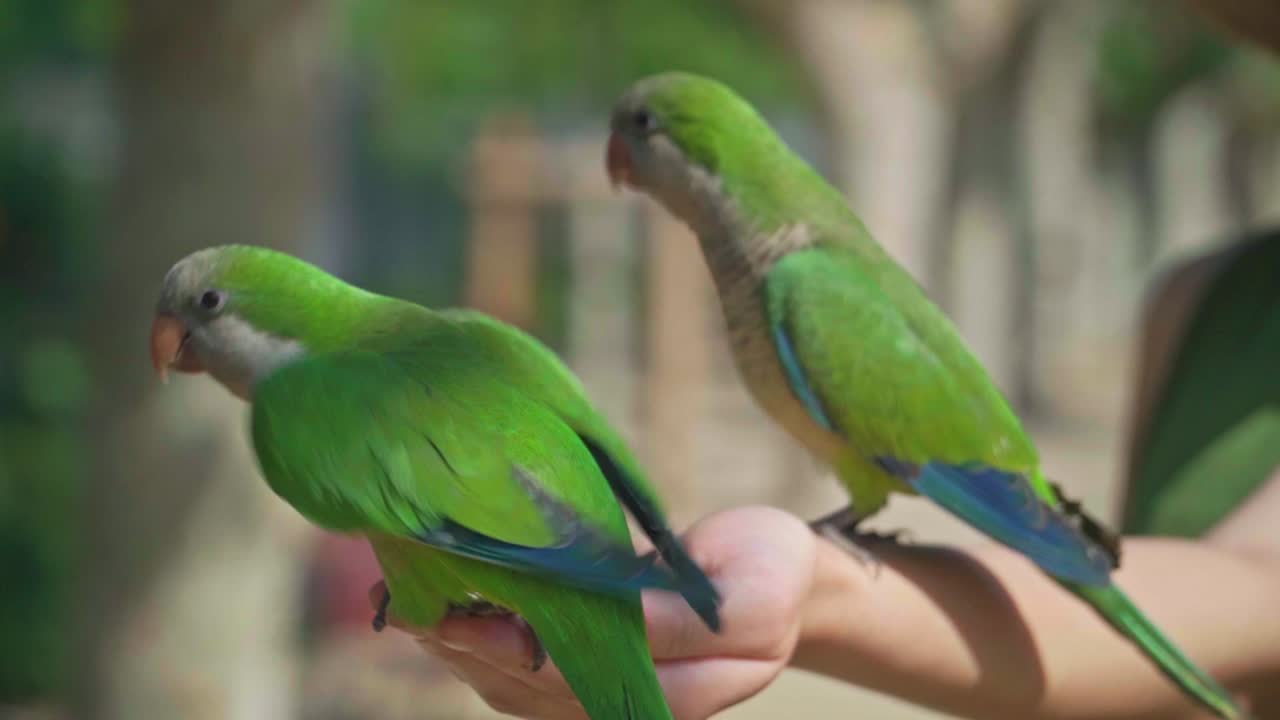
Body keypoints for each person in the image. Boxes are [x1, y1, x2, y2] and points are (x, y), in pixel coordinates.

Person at [372, 237, 1280, 719]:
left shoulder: (816, 298)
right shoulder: (1204, 299)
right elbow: (1139, 661)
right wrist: (812, 582)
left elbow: (1259, 598)